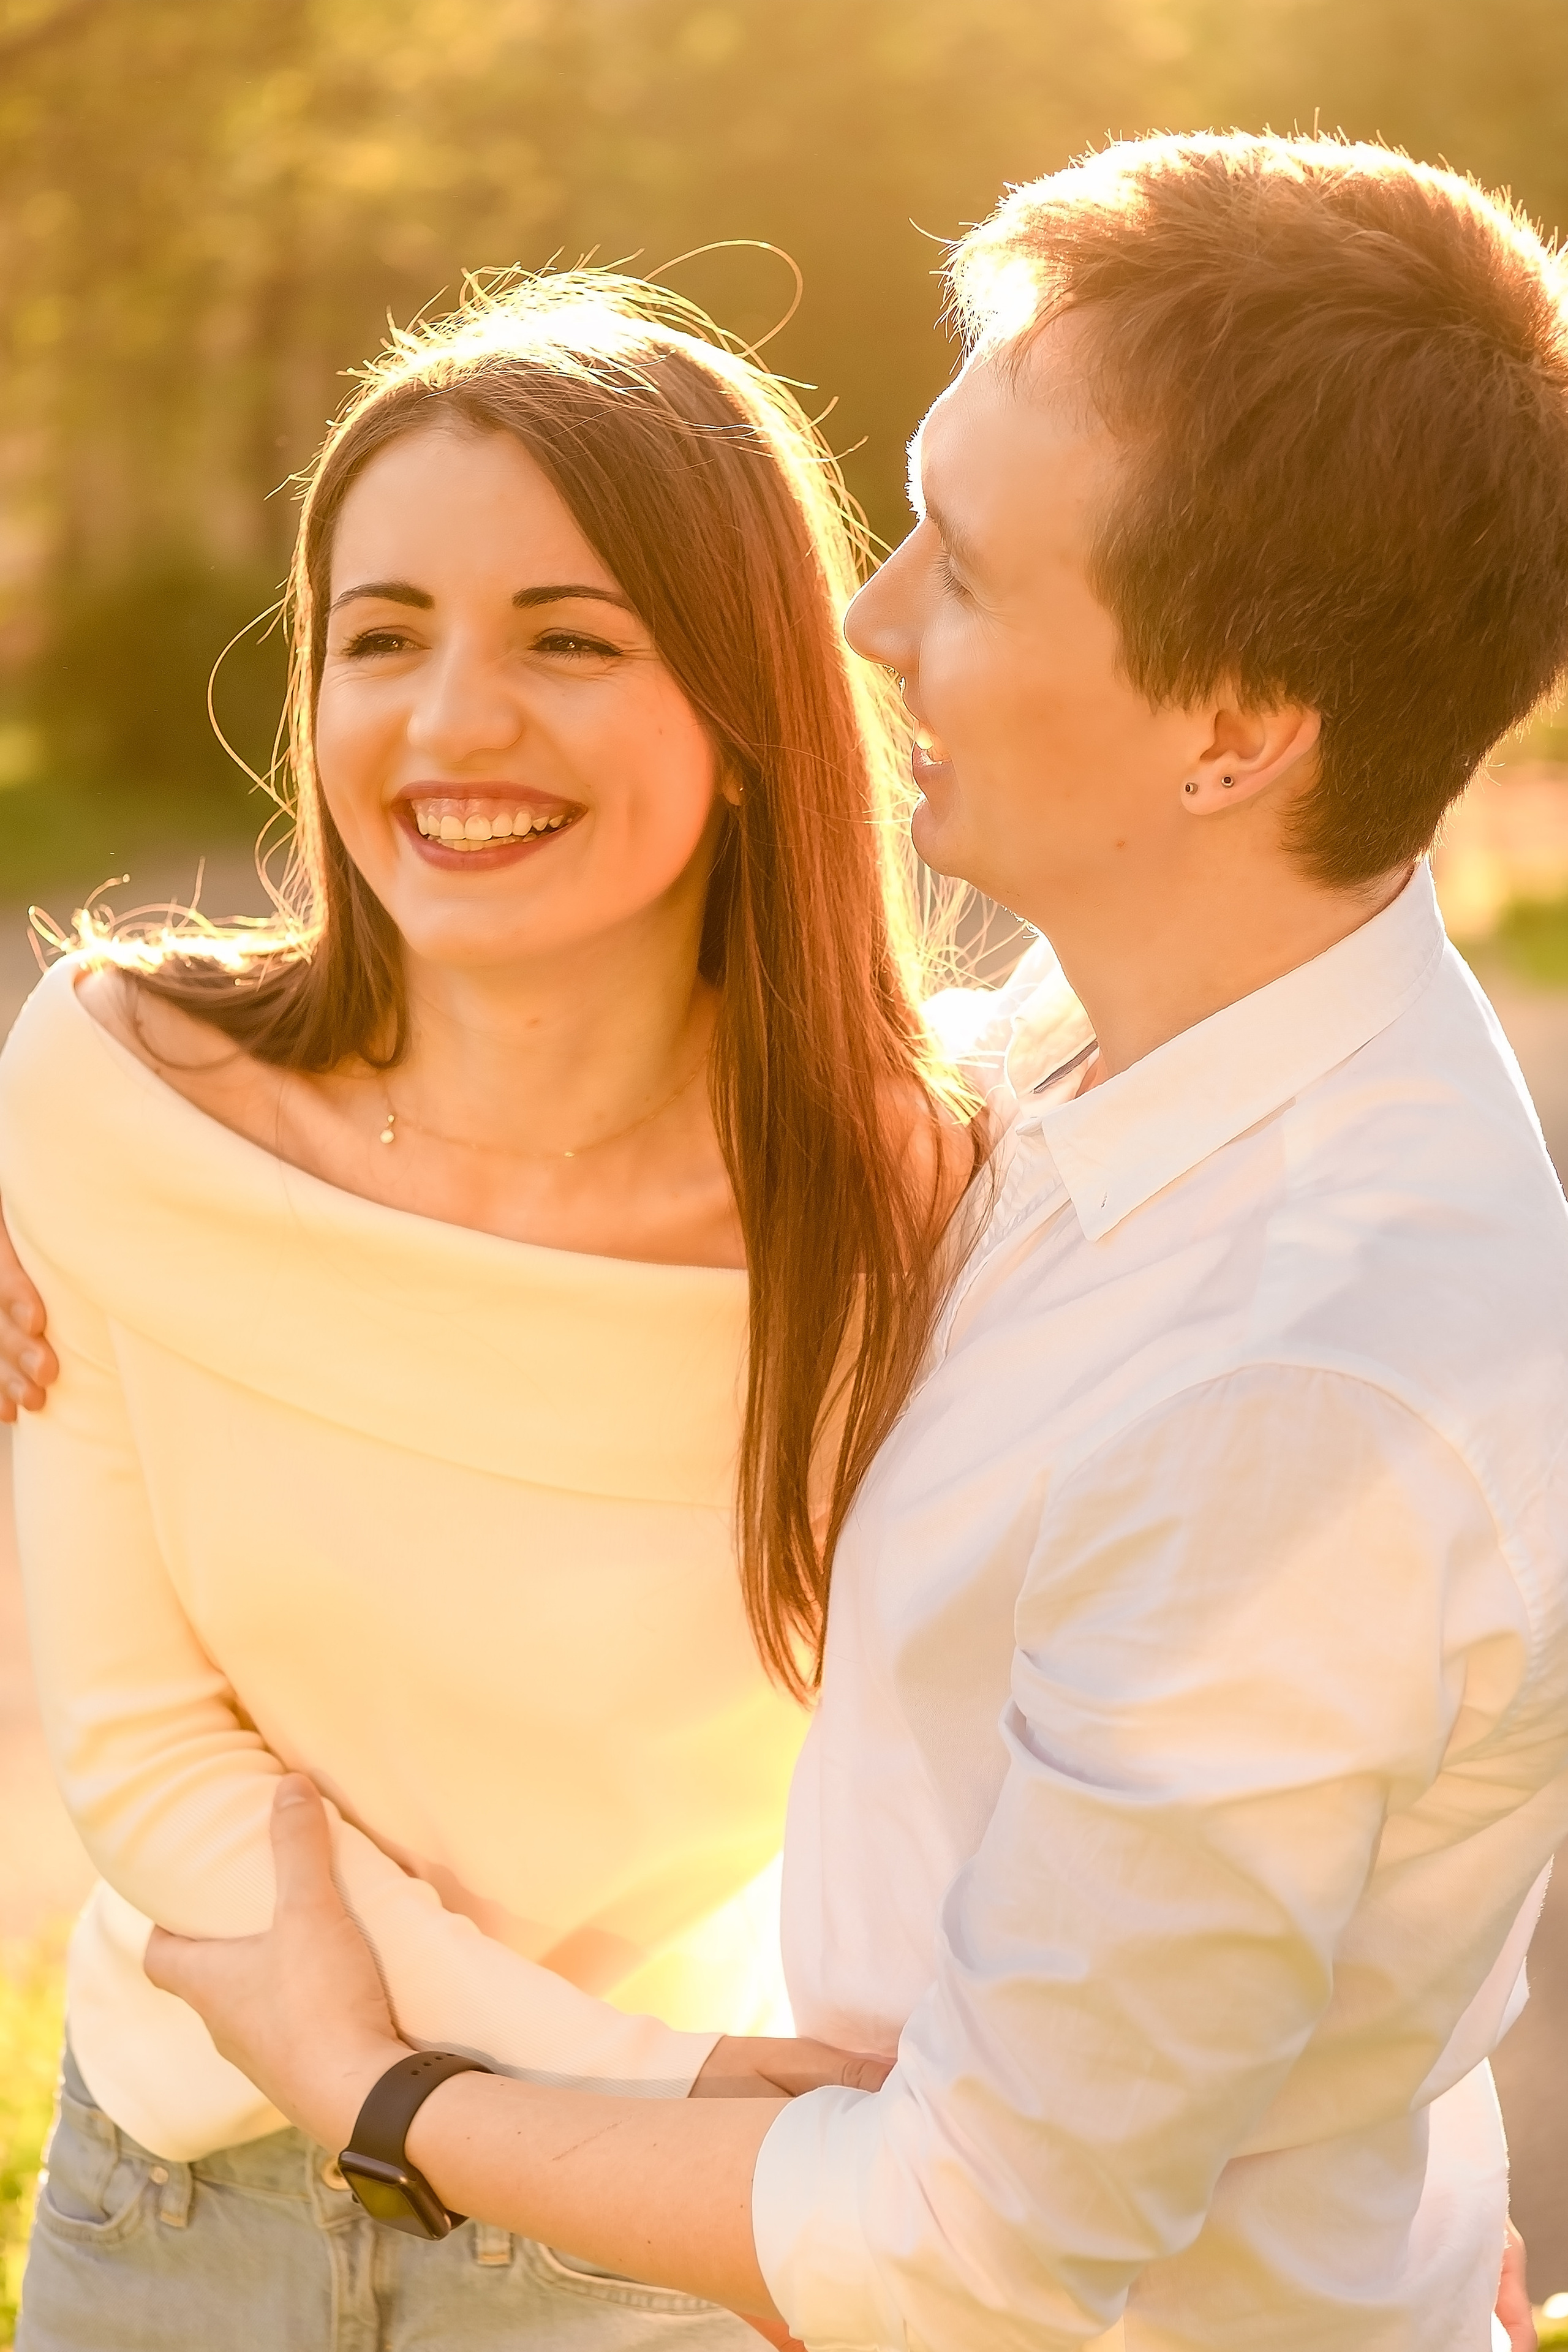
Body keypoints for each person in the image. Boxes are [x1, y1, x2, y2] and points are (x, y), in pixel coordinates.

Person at [124, 134, 1568, 2350]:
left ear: (1240, 732)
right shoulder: (1132, 1035)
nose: (866, 623)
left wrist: (376, 2086)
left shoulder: (1300, 1385)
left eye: (968, 575)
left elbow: (971, 2247)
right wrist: (146, 1226)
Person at [0, 273, 984, 2350]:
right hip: (178, 2214)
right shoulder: (123, 1094)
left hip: (648, 2264)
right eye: (383, 638)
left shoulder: (924, 1196)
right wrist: (657, 2083)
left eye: (569, 639)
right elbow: (155, 1766)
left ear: (747, 715)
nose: (450, 726)